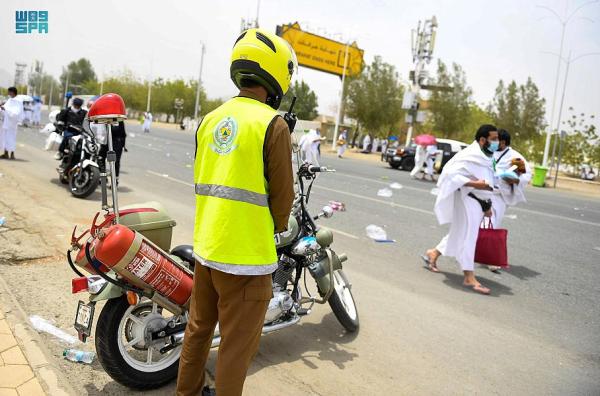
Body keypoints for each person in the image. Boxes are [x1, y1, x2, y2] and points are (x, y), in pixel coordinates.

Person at [176, 28, 296, 396]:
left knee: (197, 331)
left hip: (208, 250)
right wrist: (273, 228)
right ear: (276, 76)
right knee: (235, 347)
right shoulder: (272, 125)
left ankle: (185, 393)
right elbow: (283, 200)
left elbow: (203, 178)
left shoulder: (210, 119)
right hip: (246, 259)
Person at [421, 124, 499, 295]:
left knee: (459, 233)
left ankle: (432, 253)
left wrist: (487, 205)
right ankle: (469, 277)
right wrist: (474, 184)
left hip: (481, 202)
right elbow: (450, 175)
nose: (496, 142)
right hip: (468, 200)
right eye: (493, 139)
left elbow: (490, 181)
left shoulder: (488, 157)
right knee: (468, 238)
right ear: (482, 140)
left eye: (497, 139)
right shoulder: (469, 155)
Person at [98, 121, 127, 186]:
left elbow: (123, 134)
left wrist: (123, 145)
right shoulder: (105, 120)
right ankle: (103, 177)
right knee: (100, 158)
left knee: (115, 162)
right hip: (106, 142)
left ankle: (115, 180)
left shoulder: (120, 121)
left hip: (116, 144)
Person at [0, 87, 24, 159]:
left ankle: (12, 154)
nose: (8, 93)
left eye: (9, 92)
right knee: (5, 137)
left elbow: (16, 113)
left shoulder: (18, 101)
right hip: (7, 122)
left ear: (13, 92)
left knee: (12, 138)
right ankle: (6, 153)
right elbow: (6, 108)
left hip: (12, 123)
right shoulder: (10, 100)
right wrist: (2, 107)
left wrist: (6, 109)